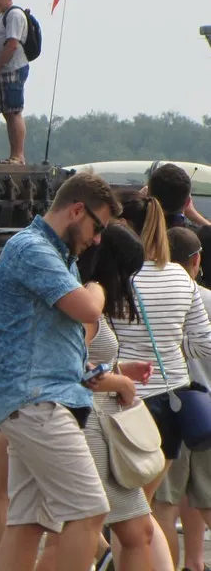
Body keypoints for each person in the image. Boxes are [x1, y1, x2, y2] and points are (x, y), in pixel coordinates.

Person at [0, 172, 120, 571]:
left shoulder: (54, 255)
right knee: (90, 510)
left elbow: (65, 334)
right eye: (97, 227)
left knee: (28, 522)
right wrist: (99, 288)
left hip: (34, 401)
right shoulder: (33, 249)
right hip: (38, 402)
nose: (96, 240)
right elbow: (89, 310)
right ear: (77, 210)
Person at [35, 223, 171, 571]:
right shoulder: (88, 305)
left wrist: (120, 371)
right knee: (120, 531)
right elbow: (73, 367)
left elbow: (80, 362)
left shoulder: (83, 300)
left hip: (91, 423)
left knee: (77, 534)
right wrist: (120, 383)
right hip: (92, 427)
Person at [114, 189, 211, 488]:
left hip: (126, 396)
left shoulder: (116, 279)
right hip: (173, 395)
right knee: (149, 494)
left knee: (127, 496)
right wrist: (171, 343)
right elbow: (205, 343)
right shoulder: (182, 278)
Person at [154, 226, 211, 571]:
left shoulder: (150, 300)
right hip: (207, 414)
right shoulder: (207, 299)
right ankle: (195, 562)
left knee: (164, 504)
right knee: (206, 500)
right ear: (196, 260)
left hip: (169, 410)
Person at [0, 0, 29, 165]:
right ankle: (14, 154)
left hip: (12, 68)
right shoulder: (3, 15)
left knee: (14, 111)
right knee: (7, 112)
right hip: (4, 70)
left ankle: (18, 155)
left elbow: (12, 44)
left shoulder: (14, 14)